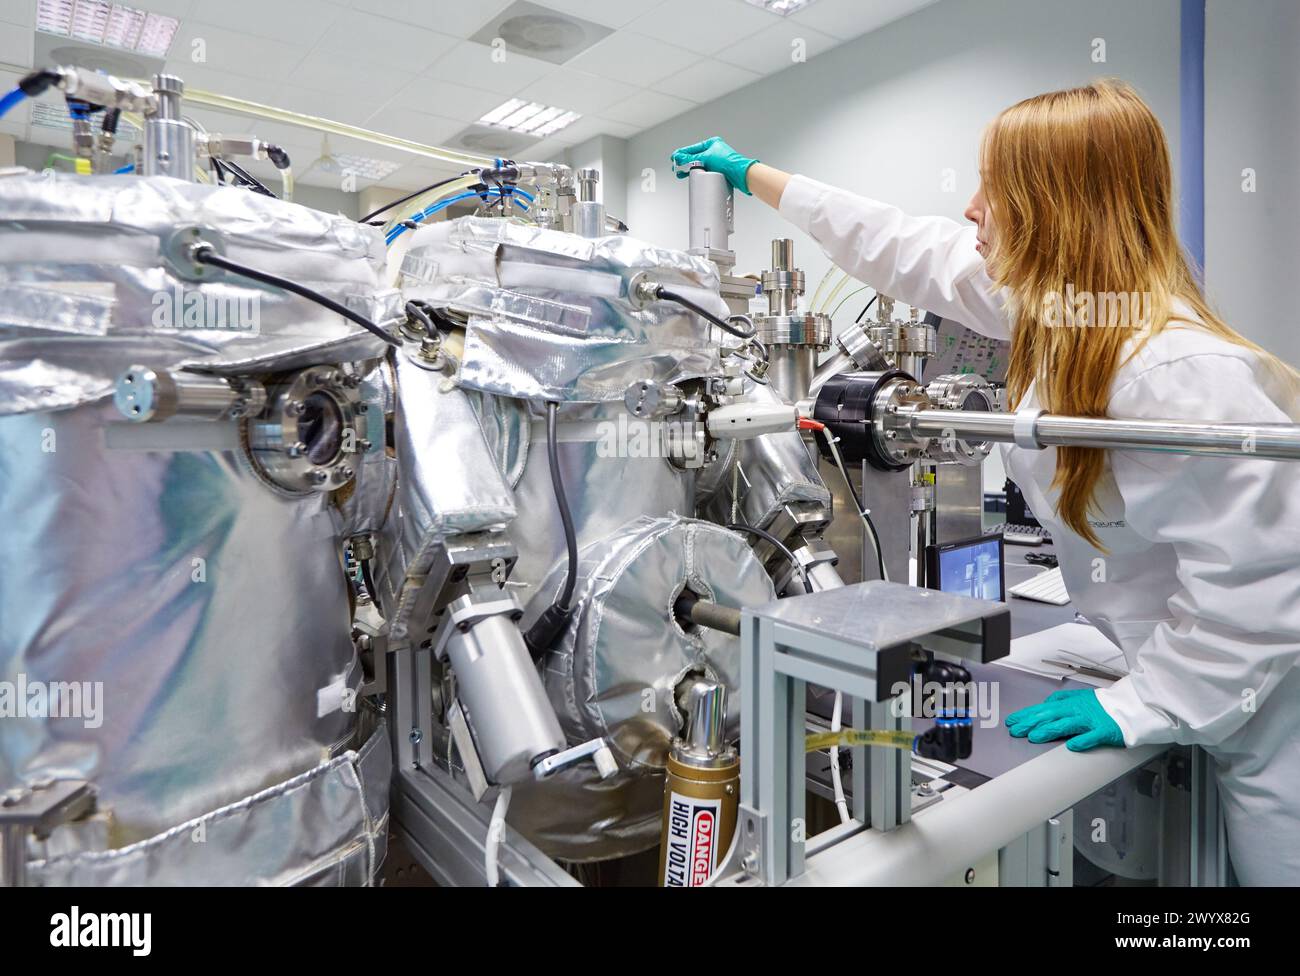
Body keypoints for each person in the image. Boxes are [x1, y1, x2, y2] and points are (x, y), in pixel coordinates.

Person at [672, 79, 1300, 885]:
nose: (971, 209)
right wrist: (753, 172)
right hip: (1184, 668)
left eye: (993, 190)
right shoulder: (1065, 314)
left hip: (1273, 714)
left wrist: (1144, 703)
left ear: (1057, 209)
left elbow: (1266, 586)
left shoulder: (1169, 367)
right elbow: (899, 244)